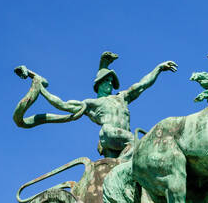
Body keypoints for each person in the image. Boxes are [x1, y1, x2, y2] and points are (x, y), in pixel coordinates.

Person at [13, 51, 177, 159]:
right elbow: (61, 105)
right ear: (99, 83)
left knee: (125, 162)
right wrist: (39, 87)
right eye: (107, 81)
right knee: (136, 144)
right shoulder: (91, 103)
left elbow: (142, 85)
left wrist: (158, 69)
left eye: (112, 82)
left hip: (121, 137)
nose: (110, 84)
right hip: (109, 133)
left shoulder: (122, 97)